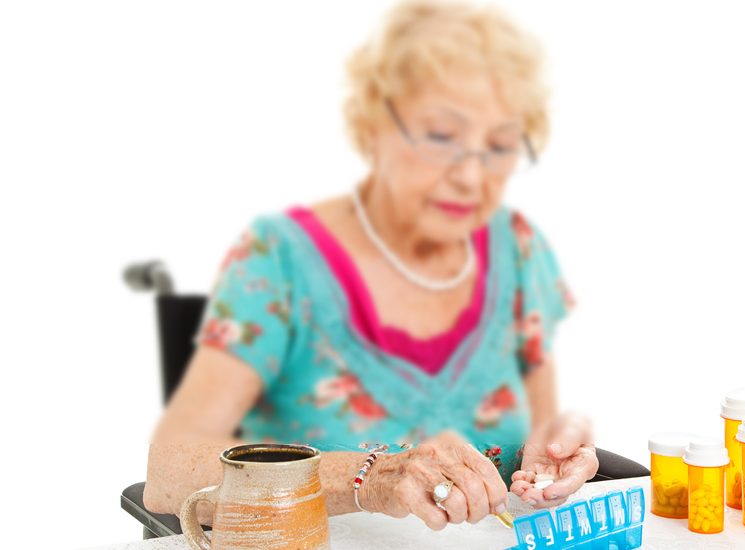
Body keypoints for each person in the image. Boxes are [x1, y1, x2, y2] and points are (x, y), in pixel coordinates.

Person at [144, 0, 596, 531]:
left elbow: (539, 425)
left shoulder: (517, 251)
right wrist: (372, 478)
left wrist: (556, 451)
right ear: (375, 126)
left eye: (498, 146)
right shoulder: (280, 260)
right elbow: (167, 478)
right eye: (440, 137)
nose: (472, 177)